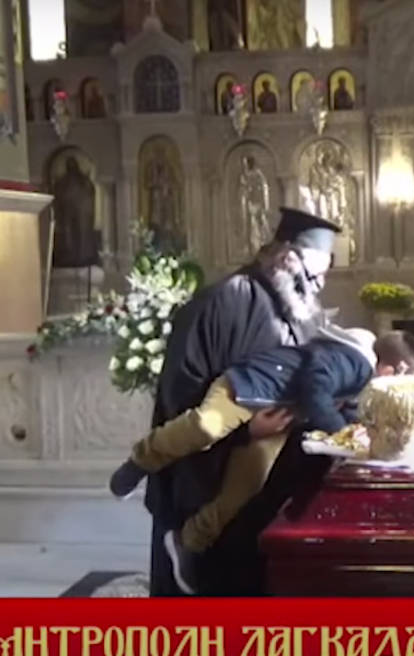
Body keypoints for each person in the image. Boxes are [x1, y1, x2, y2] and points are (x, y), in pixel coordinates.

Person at [112, 327, 414, 593]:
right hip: (247, 386)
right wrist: (340, 431)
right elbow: (316, 384)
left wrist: (358, 433)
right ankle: (142, 459)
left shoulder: (361, 377)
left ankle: (189, 541)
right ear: (394, 370)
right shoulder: (355, 359)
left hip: (277, 416)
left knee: (249, 483)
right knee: (206, 426)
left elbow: (342, 408)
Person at [145, 207, 341, 596]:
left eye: (323, 275)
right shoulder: (224, 302)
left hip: (271, 483)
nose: (318, 286)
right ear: (287, 259)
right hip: (210, 484)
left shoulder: (297, 310)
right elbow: (181, 395)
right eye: (312, 275)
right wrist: (245, 429)